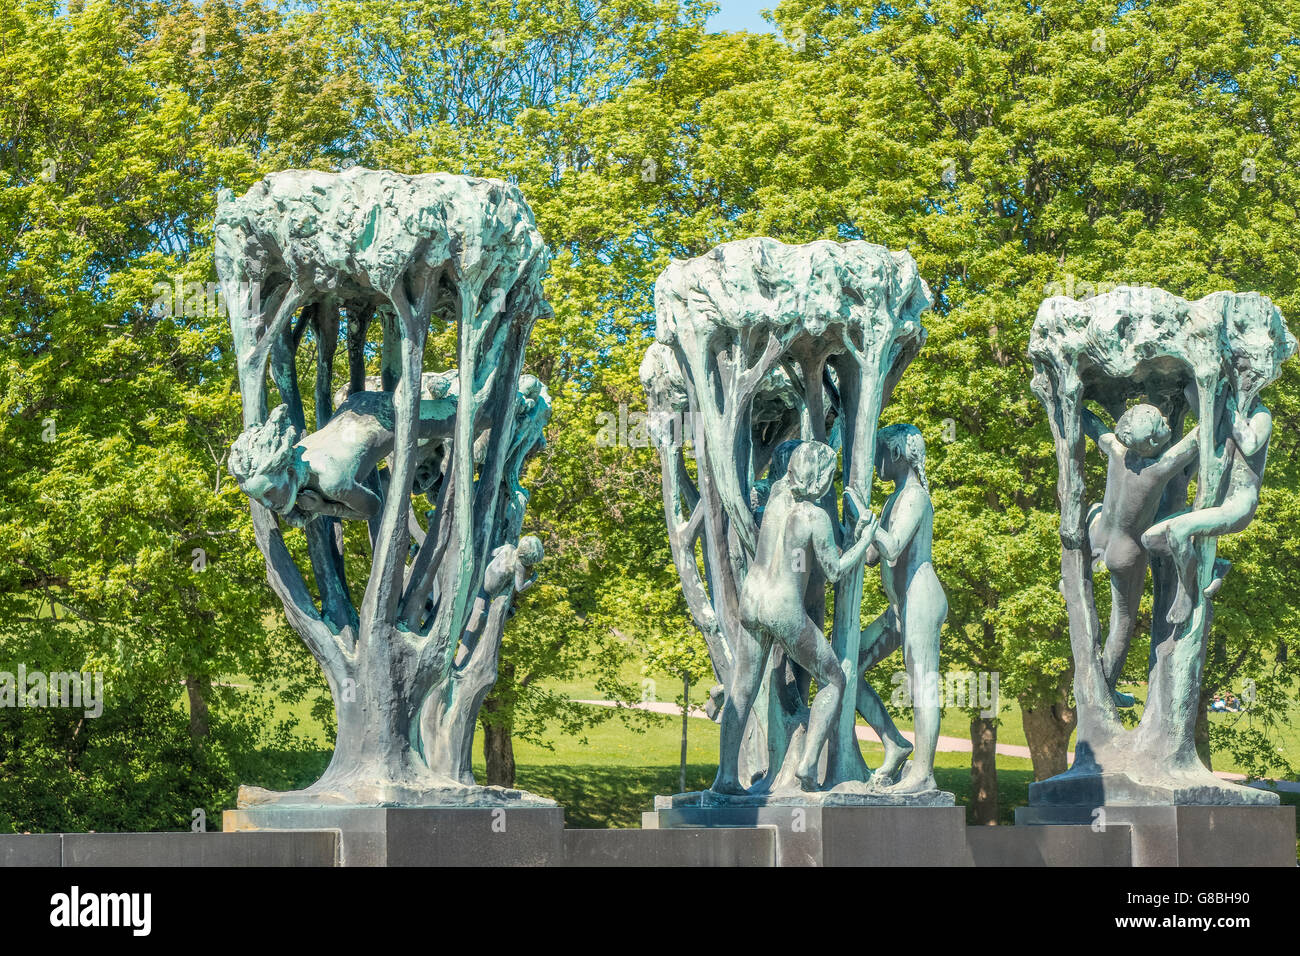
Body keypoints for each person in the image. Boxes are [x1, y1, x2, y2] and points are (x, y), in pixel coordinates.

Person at [715, 440, 874, 793]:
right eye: (828, 476)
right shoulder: (814, 516)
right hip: (783, 609)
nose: (830, 483)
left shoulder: (775, 498)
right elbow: (834, 571)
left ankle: (725, 777)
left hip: (752, 600)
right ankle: (807, 765)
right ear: (817, 478)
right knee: (834, 680)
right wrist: (864, 540)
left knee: (741, 689)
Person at [1082, 403, 1198, 704]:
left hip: (1099, 536)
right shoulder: (1157, 469)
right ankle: (1106, 688)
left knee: (1094, 509)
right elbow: (1197, 439)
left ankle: (1081, 567)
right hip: (1125, 553)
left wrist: (1074, 406)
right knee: (1122, 621)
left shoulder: (1117, 450)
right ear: (1150, 443)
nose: (1166, 422)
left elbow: (1093, 426)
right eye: (1161, 424)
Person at [855, 424, 947, 793]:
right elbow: (875, 556)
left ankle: (923, 772)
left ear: (894, 454)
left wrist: (866, 517)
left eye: (879, 452)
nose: (875, 461)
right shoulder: (895, 499)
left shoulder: (914, 497)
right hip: (900, 605)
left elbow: (891, 547)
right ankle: (895, 744)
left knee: (922, 684)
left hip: (920, 600)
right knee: (848, 666)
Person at [1144, 383, 1273, 625]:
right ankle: (1212, 566)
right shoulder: (1224, 416)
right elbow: (1193, 393)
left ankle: (1187, 592)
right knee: (1150, 538)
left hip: (1237, 506)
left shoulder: (1261, 413)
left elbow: (1250, 443)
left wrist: (1232, 408)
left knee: (1178, 530)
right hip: (1214, 504)